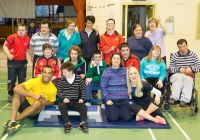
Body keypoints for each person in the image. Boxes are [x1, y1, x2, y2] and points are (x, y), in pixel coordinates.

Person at [3, 65, 57, 135]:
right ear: (41, 73)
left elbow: (52, 102)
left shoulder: (53, 88)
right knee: (17, 94)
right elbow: (16, 88)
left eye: (49, 73)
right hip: (25, 105)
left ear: (52, 74)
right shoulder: (35, 81)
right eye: (45, 72)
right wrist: (33, 95)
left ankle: (14, 120)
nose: (47, 75)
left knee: (37, 103)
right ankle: (13, 120)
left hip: (34, 112)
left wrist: (45, 102)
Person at [57, 61, 88, 133]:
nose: (63, 74)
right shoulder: (62, 80)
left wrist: (82, 98)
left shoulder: (78, 78)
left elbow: (83, 89)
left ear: (71, 72)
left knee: (83, 107)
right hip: (65, 101)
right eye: (63, 72)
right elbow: (59, 91)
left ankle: (83, 123)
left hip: (75, 101)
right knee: (61, 106)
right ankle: (67, 123)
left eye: (65, 72)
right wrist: (63, 98)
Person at [3, 23, 31, 103]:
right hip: (13, 62)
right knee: (11, 79)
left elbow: (28, 49)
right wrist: (8, 54)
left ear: (26, 31)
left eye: (22, 30)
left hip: (23, 62)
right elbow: (5, 46)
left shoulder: (27, 39)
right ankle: (10, 94)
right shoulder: (12, 37)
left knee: (22, 80)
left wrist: (32, 56)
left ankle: (21, 94)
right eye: (19, 30)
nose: (20, 32)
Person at [168, 39, 200, 107]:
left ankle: (184, 100)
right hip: (176, 74)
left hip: (188, 75)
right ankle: (174, 98)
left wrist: (191, 68)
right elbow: (170, 68)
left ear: (187, 45)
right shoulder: (175, 55)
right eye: (180, 47)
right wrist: (179, 69)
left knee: (189, 79)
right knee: (178, 77)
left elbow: (198, 67)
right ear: (178, 47)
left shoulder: (193, 55)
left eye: (184, 46)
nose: (182, 48)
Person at [101, 52, 132, 122]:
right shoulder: (106, 71)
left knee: (127, 118)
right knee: (113, 118)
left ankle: (120, 110)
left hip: (123, 100)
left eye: (118, 58)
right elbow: (103, 87)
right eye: (114, 58)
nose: (116, 60)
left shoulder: (125, 70)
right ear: (111, 60)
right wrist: (107, 99)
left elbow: (131, 80)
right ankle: (113, 110)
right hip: (111, 100)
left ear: (121, 60)